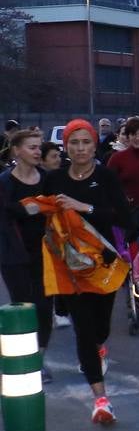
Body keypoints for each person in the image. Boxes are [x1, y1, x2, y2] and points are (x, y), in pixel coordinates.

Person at [39, 120, 132, 423]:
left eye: (86, 142)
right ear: (66, 146)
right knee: (83, 329)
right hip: (69, 265)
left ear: (95, 145)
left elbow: (125, 218)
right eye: (74, 143)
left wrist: (84, 207)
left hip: (103, 263)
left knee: (100, 328)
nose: (80, 148)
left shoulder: (105, 177)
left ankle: (99, 347)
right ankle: (101, 400)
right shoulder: (53, 179)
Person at [1, 128, 53, 366]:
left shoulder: (47, 179)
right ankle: (25, 358)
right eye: (31, 147)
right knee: (23, 305)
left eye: (39, 146)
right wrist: (24, 209)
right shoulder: (4, 182)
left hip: (46, 253)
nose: (37, 151)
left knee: (44, 307)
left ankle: (39, 358)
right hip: (14, 255)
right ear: (16, 150)